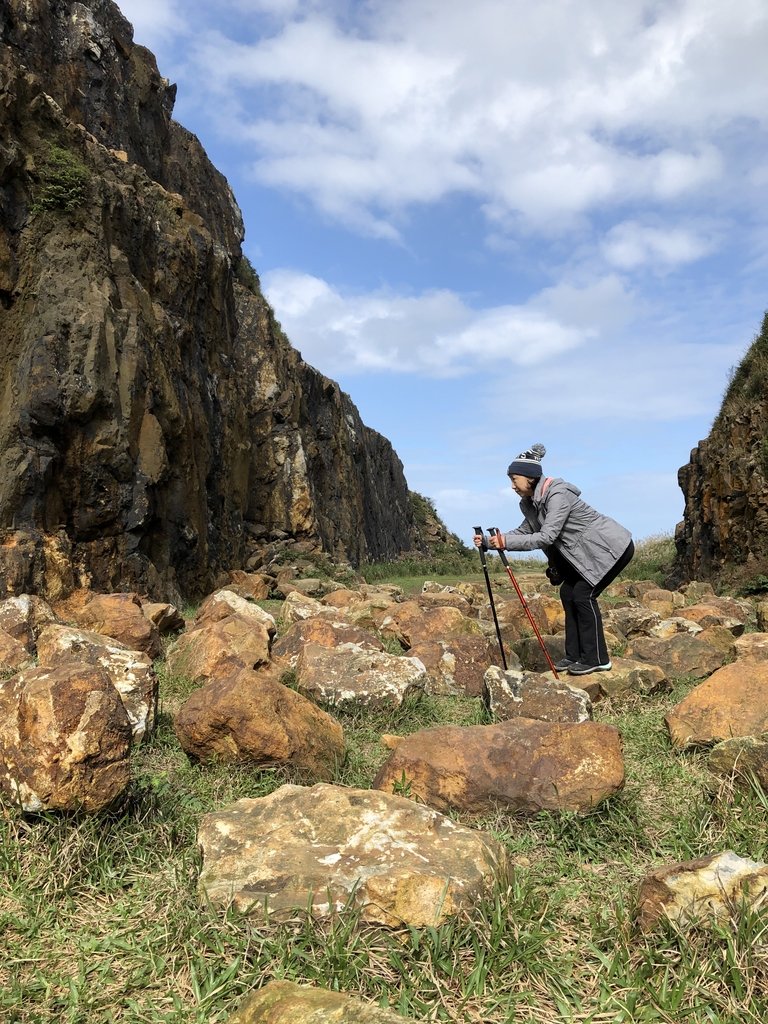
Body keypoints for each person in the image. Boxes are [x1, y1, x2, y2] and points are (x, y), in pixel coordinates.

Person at [474, 443, 634, 675]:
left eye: (514, 479)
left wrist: (505, 543)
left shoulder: (557, 494)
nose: (512, 486)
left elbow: (547, 536)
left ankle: (597, 659)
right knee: (568, 592)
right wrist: (491, 542)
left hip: (612, 549)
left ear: (529, 477)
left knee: (582, 595)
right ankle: (575, 656)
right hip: (589, 557)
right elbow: (525, 531)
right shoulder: (529, 503)